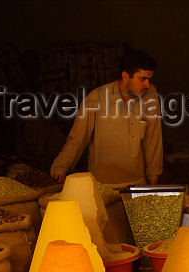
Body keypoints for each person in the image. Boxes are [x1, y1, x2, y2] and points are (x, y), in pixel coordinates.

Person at [50, 49, 163, 184]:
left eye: (149, 79)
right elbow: (77, 139)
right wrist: (59, 168)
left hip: (136, 184)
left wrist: (153, 179)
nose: (147, 85)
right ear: (126, 76)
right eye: (142, 79)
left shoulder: (150, 94)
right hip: (102, 185)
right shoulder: (95, 99)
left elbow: (153, 139)